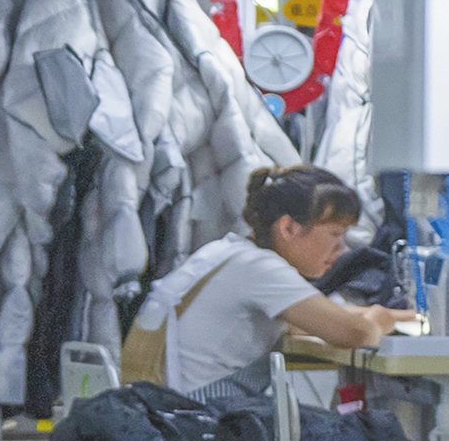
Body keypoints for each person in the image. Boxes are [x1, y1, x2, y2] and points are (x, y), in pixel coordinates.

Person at [123, 165, 416, 401]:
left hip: (158, 414)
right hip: (194, 427)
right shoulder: (262, 269)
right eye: (334, 234)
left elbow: (309, 319)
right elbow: (356, 333)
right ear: (288, 227)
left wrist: (401, 317)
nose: (342, 250)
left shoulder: (227, 252)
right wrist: (378, 317)